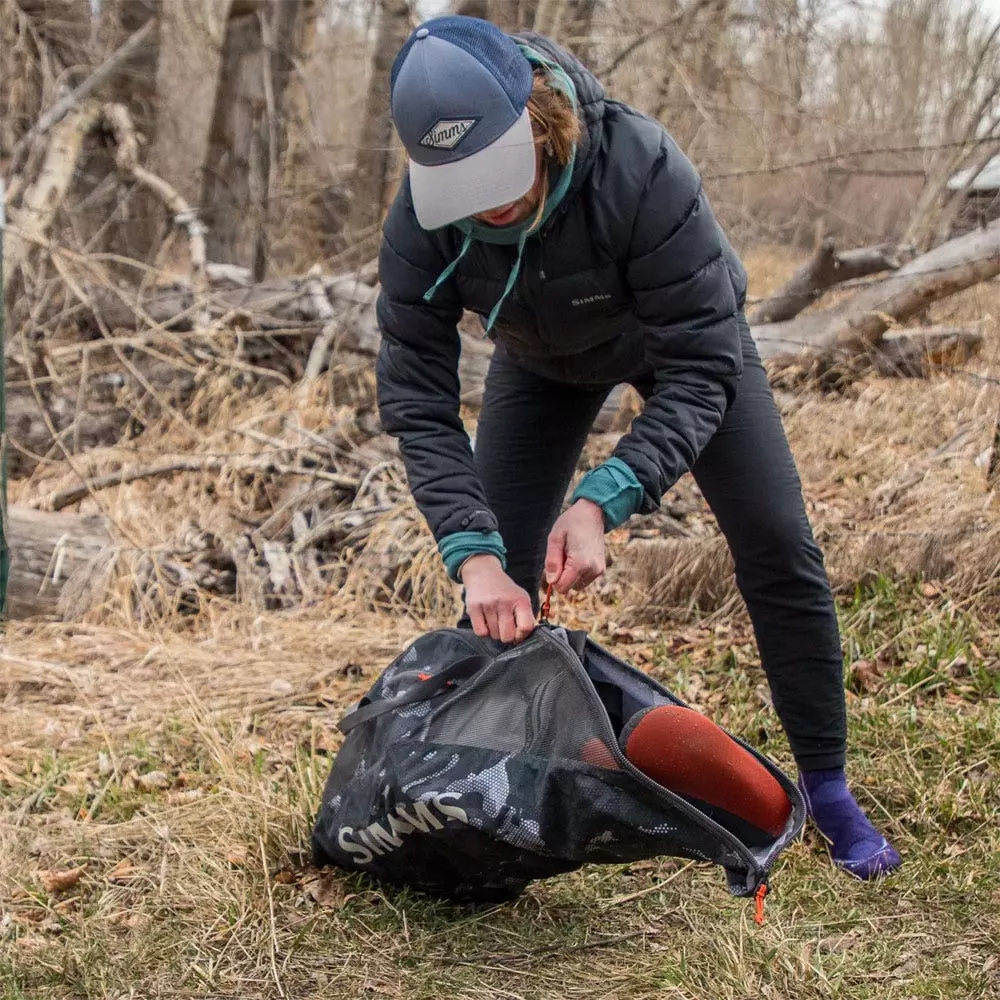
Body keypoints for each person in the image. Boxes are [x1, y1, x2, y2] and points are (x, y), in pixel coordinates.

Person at [373, 14, 900, 880]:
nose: (488, 204)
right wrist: (473, 556)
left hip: (682, 350)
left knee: (776, 537)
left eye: (496, 172)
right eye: (461, 185)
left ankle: (829, 787)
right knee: (497, 588)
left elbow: (703, 366)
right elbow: (418, 402)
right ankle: (499, 800)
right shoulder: (421, 220)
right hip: (541, 362)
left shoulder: (640, 167)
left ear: (536, 119)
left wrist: (603, 499)